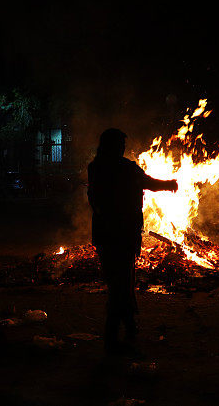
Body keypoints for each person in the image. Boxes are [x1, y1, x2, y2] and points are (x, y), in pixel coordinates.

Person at [87, 128, 177, 356]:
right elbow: (149, 183)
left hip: (104, 235)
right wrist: (171, 184)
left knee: (119, 281)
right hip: (123, 234)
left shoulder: (95, 167)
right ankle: (111, 338)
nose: (123, 148)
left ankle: (130, 328)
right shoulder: (125, 168)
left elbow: (95, 199)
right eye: (120, 145)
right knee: (121, 284)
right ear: (115, 146)